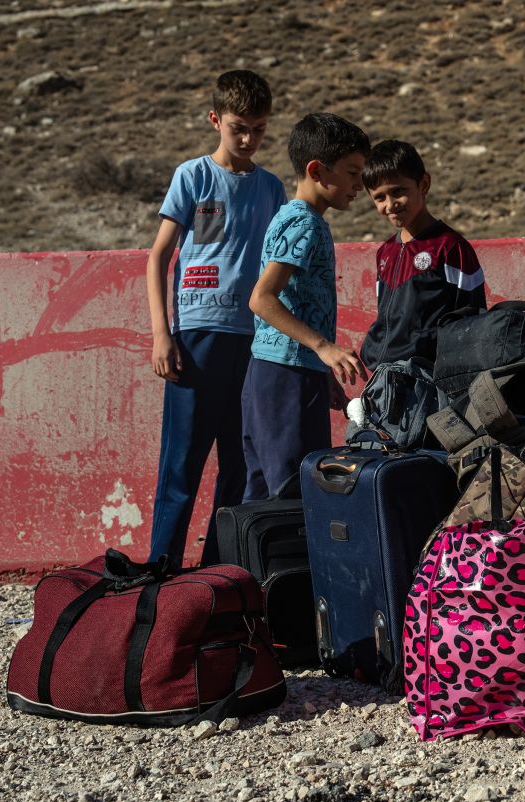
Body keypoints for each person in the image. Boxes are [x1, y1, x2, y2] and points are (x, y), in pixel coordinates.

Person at [144, 69, 286, 567]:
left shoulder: (272, 189)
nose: (248, 139)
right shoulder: (193, 176)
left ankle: (217, 572)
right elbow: (159, 256)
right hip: (196, 337)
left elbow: (278, 270)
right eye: (238, 127)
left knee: (238, 465)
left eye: (259, 129)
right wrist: (163, 335)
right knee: (181, 463)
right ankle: (160, 568)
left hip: (253, 343)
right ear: (215, 120)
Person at [241, 112, 370, 501]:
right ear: (317, 170)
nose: (359, 186)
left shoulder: (295, 217)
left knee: (264, 492)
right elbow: (262, 299)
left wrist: (320, 369)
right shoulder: (305, 223)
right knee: (292, 494)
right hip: (285, 378)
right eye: (352, 172)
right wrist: (322, 348)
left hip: (280, 373)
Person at [357, 139, 486, 369]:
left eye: (398, 192)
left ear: (423, 184)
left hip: (429, 378)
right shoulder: (384, 253)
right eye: (379, 197)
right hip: (383, 375)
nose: (390, 204)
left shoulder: (450, 247)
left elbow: (473, 320)